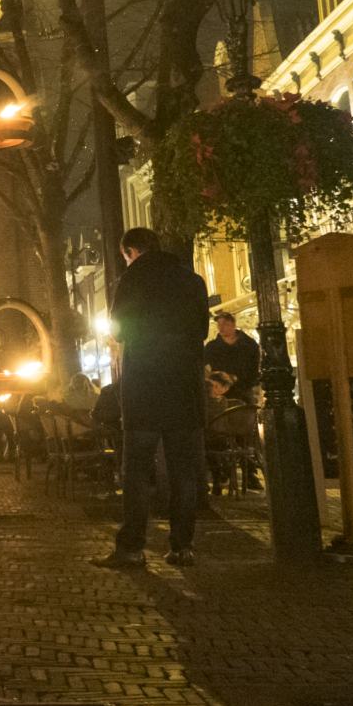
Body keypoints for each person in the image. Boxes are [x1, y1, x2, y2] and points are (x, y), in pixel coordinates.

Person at [94, 227, 210, 569]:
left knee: (137, 472)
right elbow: (202, 331)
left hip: (144, 386)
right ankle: (182, 547)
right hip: (185, 388)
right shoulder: (194, 281)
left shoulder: (131, 280)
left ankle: (132, 548)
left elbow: (119, 330)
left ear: (130, 251)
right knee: (183, 473)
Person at [202, 314, 261, 404]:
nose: (221, 327)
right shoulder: (212, 346)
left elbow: (257, 366)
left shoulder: (249, 344)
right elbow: (202, 365)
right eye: (219, 324)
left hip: (244, 391)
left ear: (233, 324)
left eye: (225, 324)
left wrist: (248, 382)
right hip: (220, 393)